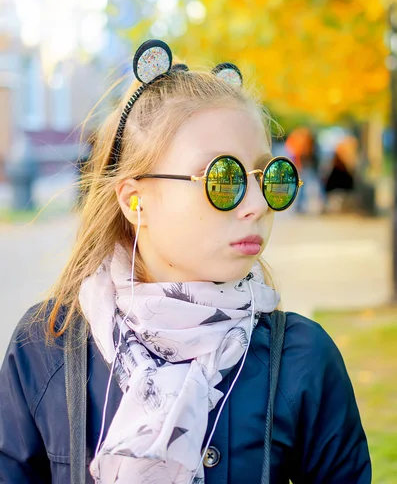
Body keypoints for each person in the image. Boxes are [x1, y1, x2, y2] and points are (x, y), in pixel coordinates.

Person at [0, 40, 371, 483]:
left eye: (268, 176)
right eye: (224, 178)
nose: (256, 204)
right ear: (136, 201)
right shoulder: (46, 345)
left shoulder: (303, 359)